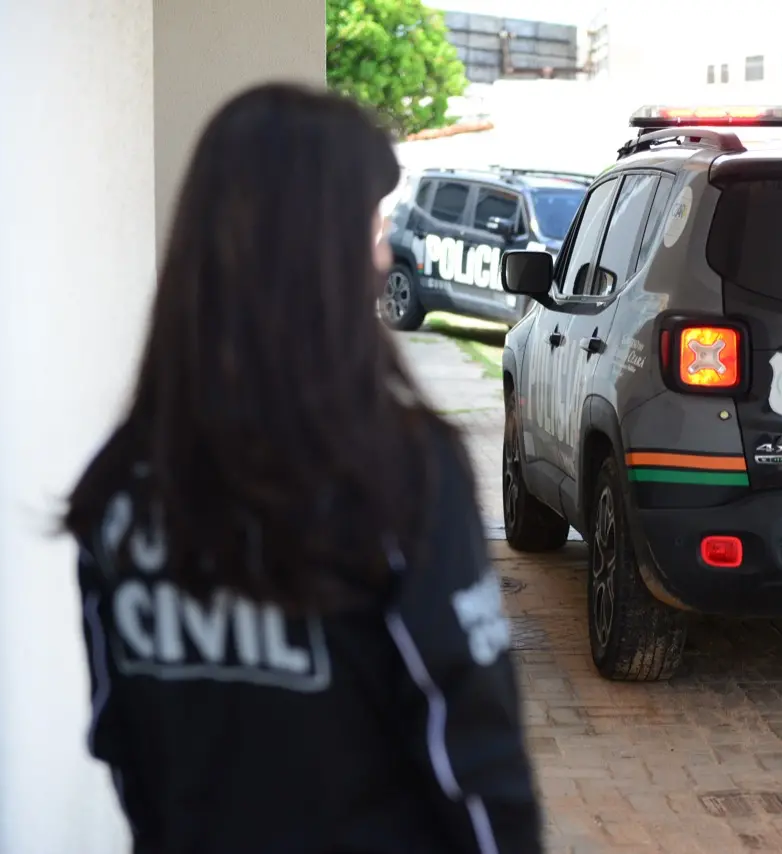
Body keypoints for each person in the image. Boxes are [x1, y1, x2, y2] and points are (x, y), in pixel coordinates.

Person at [61, 83, 543, 854]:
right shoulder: (399, 474)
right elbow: (475, 764)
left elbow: (128, 751)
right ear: (318, 249)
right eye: (372, 225)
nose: (383, 252)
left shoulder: (119, 486)